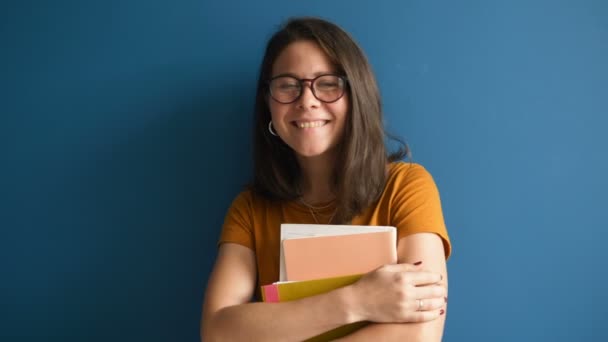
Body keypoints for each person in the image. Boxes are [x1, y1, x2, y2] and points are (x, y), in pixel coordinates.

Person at [201, 17, 451, 341]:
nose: (306, 100)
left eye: (328, 83)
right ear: (268, 103)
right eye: (288, 85)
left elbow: (419, 334)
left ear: (356, 94)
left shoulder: (406, 187)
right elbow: (217, 331)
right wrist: (357, 301)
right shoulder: (249, 209)